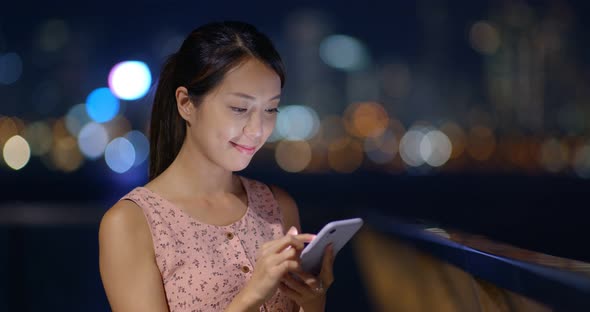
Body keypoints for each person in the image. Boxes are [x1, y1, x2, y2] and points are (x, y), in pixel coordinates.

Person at [98, 21, 335, 312]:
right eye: (239, 108)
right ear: (186, 103)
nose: (257, 129)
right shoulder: (132, 223)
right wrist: (251, 297)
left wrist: (313, 300)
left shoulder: (276, 207)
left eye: (270, 109)